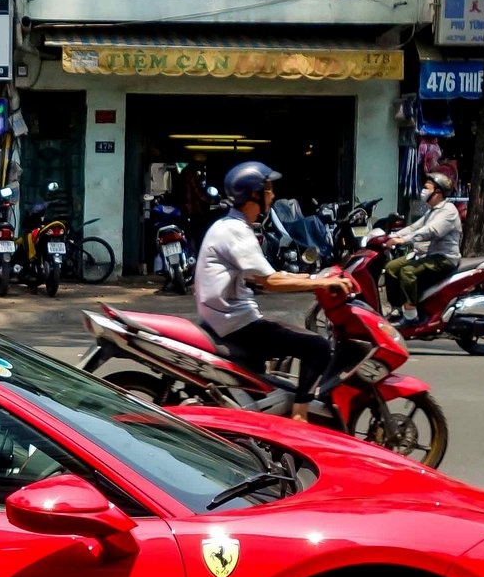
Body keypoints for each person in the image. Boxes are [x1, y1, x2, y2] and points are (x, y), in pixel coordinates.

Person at [196, 162, 354, 422]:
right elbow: (272, 282)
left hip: (225, 318)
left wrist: (315, 276)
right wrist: (321, 283)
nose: (273, 195)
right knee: (317, 346)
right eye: (268, 190)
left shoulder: (229, 226)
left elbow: (264, 277)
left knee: (287, 334)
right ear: (253, 195)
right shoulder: (236, 232)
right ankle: (300, 418)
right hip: (236, 324)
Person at [384, 173, 463, 322]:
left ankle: (411, 316)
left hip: (444, 258)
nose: (422, 190)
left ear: (438, 192)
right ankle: (397, 309)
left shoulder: (448, 211)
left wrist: (402, 241)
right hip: (429, 255)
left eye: (426, 188)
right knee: (391, 267)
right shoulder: (432, 211)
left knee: (407, 272)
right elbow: (414, 227)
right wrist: (389, 237)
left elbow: (430, 231)